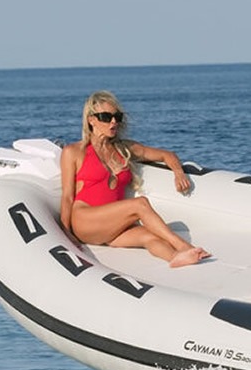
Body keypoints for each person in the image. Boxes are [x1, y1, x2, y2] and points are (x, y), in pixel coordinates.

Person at [59, 91, 210, 267]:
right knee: (139, 204)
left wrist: (178, 172)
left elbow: (166, 155)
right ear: (91, 120)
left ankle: (175, 257)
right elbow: (67, 196)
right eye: (106, 117)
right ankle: (183, 246)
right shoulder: (74, 152)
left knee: (150, 236)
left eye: (117, 117)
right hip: (85, 220)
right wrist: (65, 233)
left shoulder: (124, 148)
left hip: (112, 226)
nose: (113, 122)